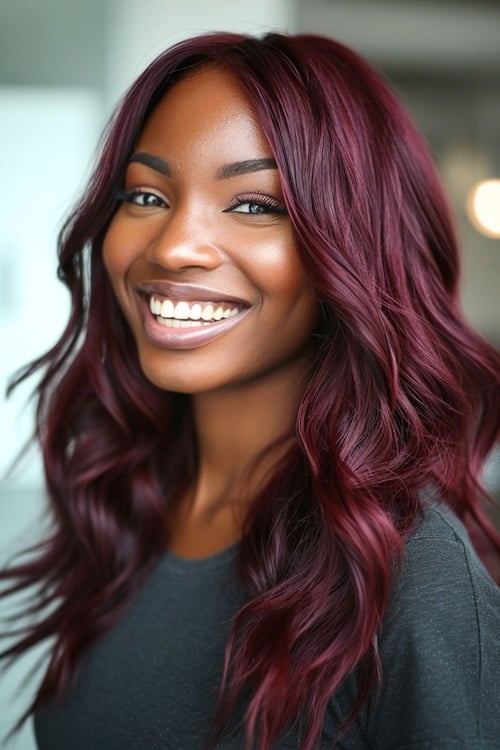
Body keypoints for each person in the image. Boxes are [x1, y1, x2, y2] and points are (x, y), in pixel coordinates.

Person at [1, 31, 499, 750]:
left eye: (254, 206)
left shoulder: (413, 579)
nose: (172, 246)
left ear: (356, 248)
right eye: (145, 194)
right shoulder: (128, 505)